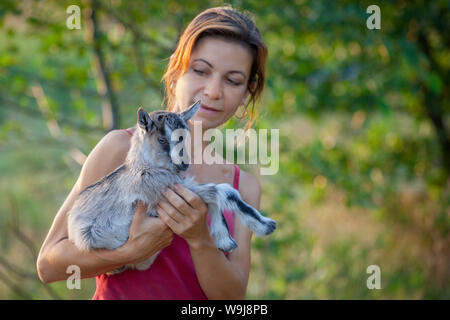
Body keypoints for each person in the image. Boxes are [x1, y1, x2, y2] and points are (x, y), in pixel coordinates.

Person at [36, 5, 268, 300]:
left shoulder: (241, 186)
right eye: (200, 70)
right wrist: (130, 251)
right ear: (175, 71)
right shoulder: (120, 148)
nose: (212, 91)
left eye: (232, 80)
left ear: (246, 93)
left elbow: (232, 299)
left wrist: (200, 239)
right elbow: (49, 264)